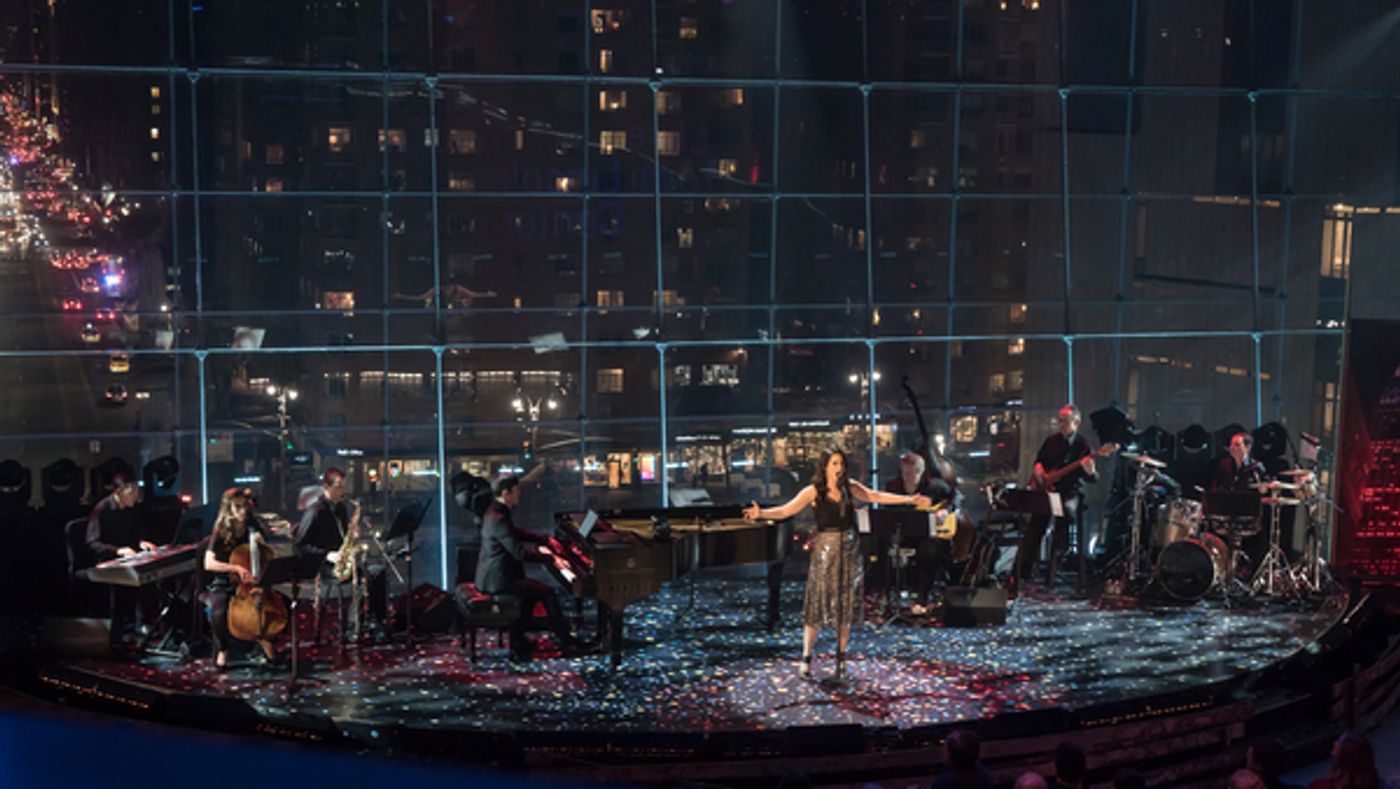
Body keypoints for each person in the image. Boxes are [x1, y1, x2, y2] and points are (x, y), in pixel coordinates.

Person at [744, 448, 930, 681]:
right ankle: (806, 658)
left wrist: (910, 499)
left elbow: (875, 496)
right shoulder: (813, 491)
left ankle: (841, 659)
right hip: (825, 551)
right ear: (825, 466)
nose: (839, 468)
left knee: (845, 606)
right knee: (818, 604)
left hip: (849, 550)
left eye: (841, 463)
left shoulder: (850, 487)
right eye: (834, 463)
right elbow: (785, 510)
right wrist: (761, 513)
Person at [474, 475, 589, 661]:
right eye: (517, 490)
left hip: (495, 576)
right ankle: (567, 642)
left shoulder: (495, 512)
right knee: (547, 592)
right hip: (499, 580)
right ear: (506, 493)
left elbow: (515, 533)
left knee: (531, 594)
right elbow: (519, 553)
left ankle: (519, 640)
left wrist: (543, 539)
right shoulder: (499, 518)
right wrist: (551, 557)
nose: (520, 494)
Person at [1018, 405, 1100, 593]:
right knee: (1036, 522)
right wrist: (1038, 469)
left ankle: (1056, 564)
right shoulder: (1051, 441)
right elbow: (1039, 461)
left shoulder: (1083, 445)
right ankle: (1024, 570)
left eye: (1065, 421)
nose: (1060, 424)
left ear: (1076, 422)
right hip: (1048, 490)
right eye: (1059, 421)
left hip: (1070, 493)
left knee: (1064, 515)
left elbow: (1093, 479)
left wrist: (1091, 472)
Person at [202, 487, 277, 669]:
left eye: (244, 506)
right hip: (225, 582)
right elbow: (208, 563)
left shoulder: (252, 524)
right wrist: (235, 567)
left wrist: (261, 540)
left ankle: (264, 638)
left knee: (280, 606)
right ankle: (223, 649)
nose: (243, 511)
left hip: (251, 580)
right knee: (219, 611)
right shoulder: (220, 530)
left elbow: (265, 552)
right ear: (228, 509)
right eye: (237, 507)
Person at [84, 474, 157, 651]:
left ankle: (141, 626)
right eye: (132, 493)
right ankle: (119, 633)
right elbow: (92, 542)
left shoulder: (133, 509)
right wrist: (118, 550)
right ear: (118, 492)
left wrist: (141, 542)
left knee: (149, 580)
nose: (136, 497)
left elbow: (136, 534)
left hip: (129, 558)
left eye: (137, 492)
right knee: (124, 588)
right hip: (108, 560)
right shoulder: (102, 509)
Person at [885, 450, 959, 609]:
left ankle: (922, 597)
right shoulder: (893, 486)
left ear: (921, 471)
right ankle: (888, 596)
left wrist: (945, 511)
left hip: (928, 535)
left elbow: (955, 496)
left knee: (929, 550)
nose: (908, 477)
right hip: (904, 533)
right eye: (905, 473)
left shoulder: (934, 486)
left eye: (913, 473)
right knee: (880, 544)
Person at [1306, 731, 1381, 789]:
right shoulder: (1367, 778)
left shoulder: (1325, 786)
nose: (1335, 743)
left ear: (1346, 754)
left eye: (1339, 742)